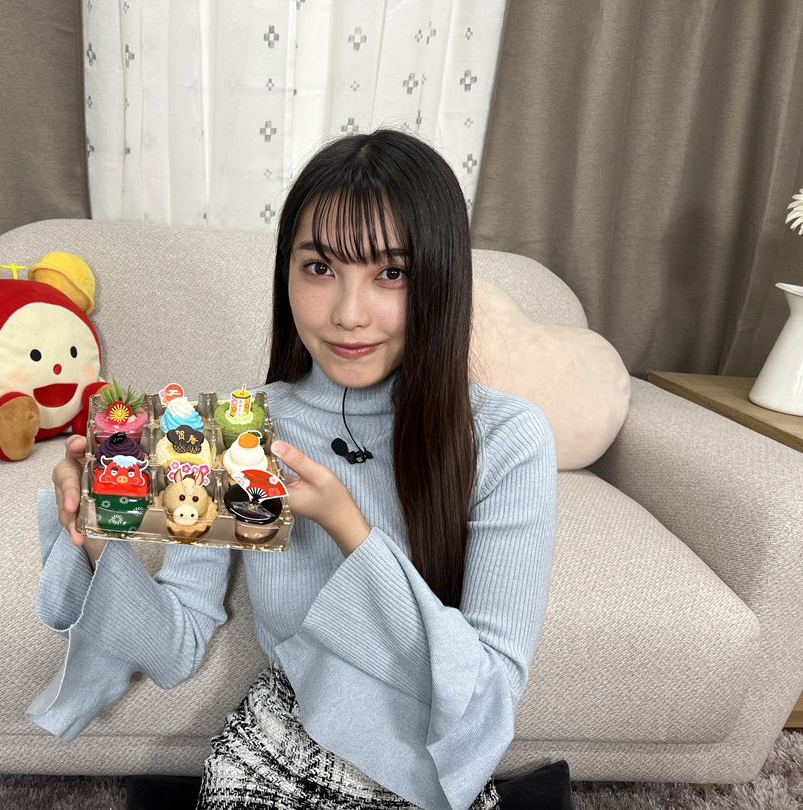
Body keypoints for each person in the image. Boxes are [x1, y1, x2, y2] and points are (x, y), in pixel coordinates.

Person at [28, 128, 568, 810]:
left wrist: (348, 528)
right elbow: (175, 644)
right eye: (320, 268)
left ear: (440, 278)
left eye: (391, 273)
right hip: (273, 752)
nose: (348, 314)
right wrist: (97, 539)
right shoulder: (242, 431)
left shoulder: (508, 437)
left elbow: (490, 694)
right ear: (286, 272)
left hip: (424, 769)